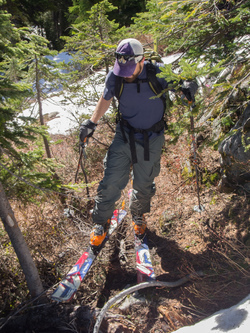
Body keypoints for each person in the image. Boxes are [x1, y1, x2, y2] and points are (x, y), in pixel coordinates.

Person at [79, 38, 197, 249]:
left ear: (142, 60)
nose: (126, 73)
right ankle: (102, 221)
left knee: (144, 183)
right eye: (123, 69)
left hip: (152, 138)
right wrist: (91, 123)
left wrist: (188, 87)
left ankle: (138, 214)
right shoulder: (116, 76)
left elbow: (181, 83)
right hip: (124, 135)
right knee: (111, 180)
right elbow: (105, 99)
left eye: (131, 69)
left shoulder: (157, 72)